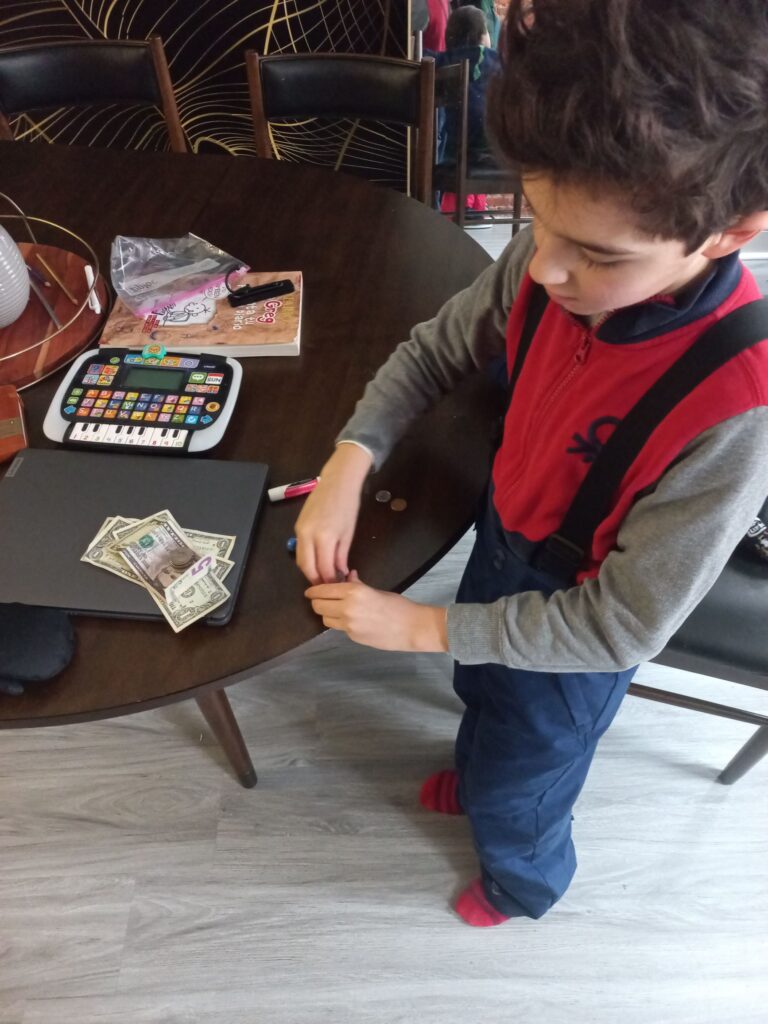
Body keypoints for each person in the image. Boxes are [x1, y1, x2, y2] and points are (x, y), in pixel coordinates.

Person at [295, 0, 768, 927]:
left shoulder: (736, 407)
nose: (543, 269)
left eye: (596, 255)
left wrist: (420, 627)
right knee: (478, 692)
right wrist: (351, 457)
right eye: (538, 220)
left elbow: (619, 628)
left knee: (528, 780)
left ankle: (522, 881)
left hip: (577, 630)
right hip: (505, 545)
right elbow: (435, 350)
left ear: (729, 232)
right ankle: (480, 775)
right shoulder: (553, 255)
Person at [431, 6, 501, 217]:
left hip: (458, 158)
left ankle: (436, 214)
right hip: (501, 155)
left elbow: (420, 58)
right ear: (482, 35)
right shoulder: (501, 62)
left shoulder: (445, 60)